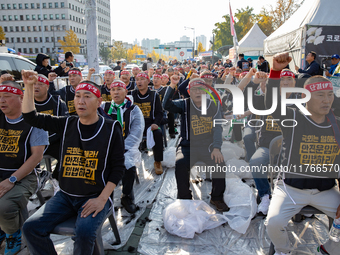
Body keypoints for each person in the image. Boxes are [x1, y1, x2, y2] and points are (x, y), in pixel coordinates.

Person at [21, 70, 125, 255]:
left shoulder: (110, 128)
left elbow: (118, 168)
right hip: (65, 196)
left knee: (84, 233)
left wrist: (102, 199)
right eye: (77, 96)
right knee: (30, 228)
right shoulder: (67, 123)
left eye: (87, 96)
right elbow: (31, 117)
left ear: (99, 102)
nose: (80, 101)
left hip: (95, 195)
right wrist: (28, 87)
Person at [264, 52, 340, 255]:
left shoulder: (337, 126)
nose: (326, 101)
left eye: (329, 95)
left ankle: (331, 248)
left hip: (326, 190)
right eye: (320, 95)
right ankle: (283, 250)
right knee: (273, 223)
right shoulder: (293, 118)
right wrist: (275, 71)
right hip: (291, 188)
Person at [163, 77, 229, 211]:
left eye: (201, 89)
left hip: (208, 146)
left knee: (220, 164)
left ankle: (216, 197)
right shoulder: (184, 104)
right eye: (194, 90)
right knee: (180, 163)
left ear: (206, 91)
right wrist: (172, 85)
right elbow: (166, 105)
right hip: (187, 146)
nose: (198, 92)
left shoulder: (213, 105)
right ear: (189, 92)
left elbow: (217, 128)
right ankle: (185, 197)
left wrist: (217, 148)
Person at [0, 79, 48, 255]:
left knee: (3, 206)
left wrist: (12, 179)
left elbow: (37, 156)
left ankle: (13, 234)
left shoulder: (34, 121)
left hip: (24, 175)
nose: (2, 101)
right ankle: (3, 227)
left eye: (6, 96)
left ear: (21, 98)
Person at [101, 80, 144, 213]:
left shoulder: (133, 109)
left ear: (126, 92)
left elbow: (136, 132)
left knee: (128, 165)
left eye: (119, 89)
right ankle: (105, 197)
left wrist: (120, 148)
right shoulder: (103, 107)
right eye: (113, 90)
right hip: (104, 147)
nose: (116, 92)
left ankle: (126, 196)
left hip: (126, 147)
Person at [34, 74, 69, 178]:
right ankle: (36, 180)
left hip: (54, 141)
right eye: (34, 84)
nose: (36, 87)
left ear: (47, 86)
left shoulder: (58, 103)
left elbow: (65, 125)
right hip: (32, 143)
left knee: (68, 153)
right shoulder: (26, 103)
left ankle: (56, 180)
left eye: (40, 84)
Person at [131, 73, 164, 174]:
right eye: (137, 79)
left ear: (148, 81)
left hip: (150, 124)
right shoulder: (131, 94)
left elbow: (159, 112)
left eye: (142, 79)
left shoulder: (154, 95)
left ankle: (157, 161)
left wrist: (156, 123)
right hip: (135, 125)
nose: (139, 82)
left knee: (158, 133)